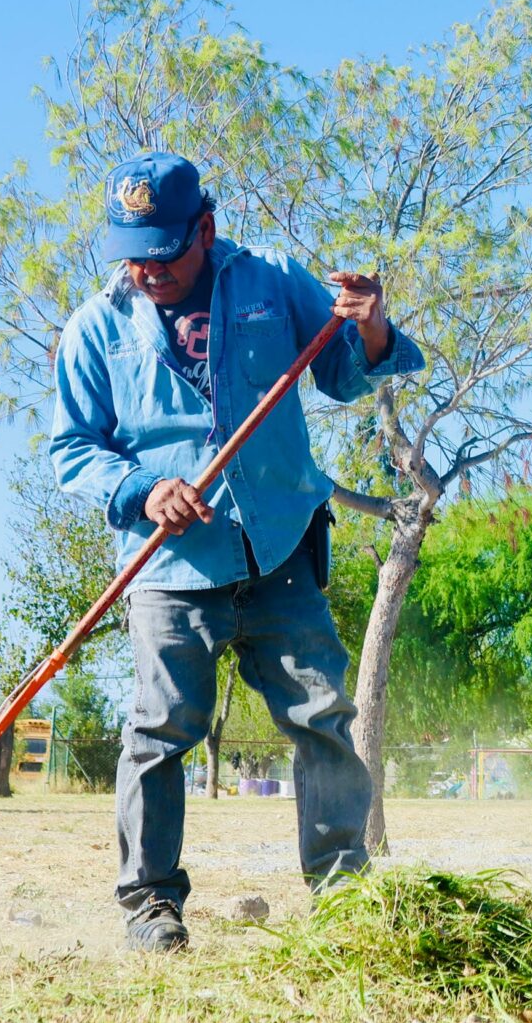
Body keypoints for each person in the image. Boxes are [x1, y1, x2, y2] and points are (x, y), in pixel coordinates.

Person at [49, 151, 426, 951]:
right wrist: (145, 490)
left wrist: (368, 322)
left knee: (323, 717)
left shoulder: (269, 281)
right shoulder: (94, 331)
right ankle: (151, 906)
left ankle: (343, 894)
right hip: (170, 566)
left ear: (207, 228)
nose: (148, 269)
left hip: (278, 544)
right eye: (133, 252)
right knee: (159, 732)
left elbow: (345, 373)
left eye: (165, 250)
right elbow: (74, 449)